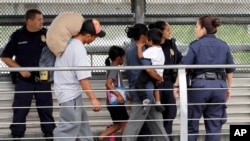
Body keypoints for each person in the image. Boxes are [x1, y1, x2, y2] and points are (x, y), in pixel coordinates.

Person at [173, 16, 235, 141]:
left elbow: (184, 67)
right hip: (219, 87)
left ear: (203, 29)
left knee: (191, 124)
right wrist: (228, 88)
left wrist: (176, 85)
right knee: (214, 127)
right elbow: (230, 69)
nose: (195, 30)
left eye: (197, 27)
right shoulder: (224, 46)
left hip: (199, 87)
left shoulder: (195, 45)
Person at [1, 9, 56, 141]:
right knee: (20, 108)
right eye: (39, 19)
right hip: (24, 80)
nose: (42, 22)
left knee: (45, 107)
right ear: (29, 21)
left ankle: (49, 133)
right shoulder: (18, 36)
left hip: (43, 79)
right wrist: (20, 69)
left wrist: (53, 75)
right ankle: (17, 135)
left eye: (42, 19)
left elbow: (58, 53)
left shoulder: (47, 34)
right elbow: (5, 56)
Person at [53, 19, 105, 141]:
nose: (95, 39)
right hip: (70, 95)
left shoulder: (68, 43)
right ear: (88, 35)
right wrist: (93, 99)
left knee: (83, 127)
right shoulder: (78, 48)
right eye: (95, 37)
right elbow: (83, 77)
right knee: (68, 129)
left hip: (69, 93)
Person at [123, 23, 170, 141]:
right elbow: (149, 70)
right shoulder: (142, 49)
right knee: (133, 127)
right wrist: (160, 78)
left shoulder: (130, 49)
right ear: (143, 36)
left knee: (157, 123)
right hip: (144, 94)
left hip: (143, 92)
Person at [148, 21, 182, 141]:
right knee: (150, 115)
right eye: (168, 30)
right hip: (154, 84)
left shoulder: (171, 45)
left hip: (168, 84)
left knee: (170, 113)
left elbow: (180, 61)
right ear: (161, 32)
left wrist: (178, 84)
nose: (170, 32)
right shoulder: (150, 44)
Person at [99, 46, 129, 141]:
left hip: (113, 103)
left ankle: (100, 137)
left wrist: (126, 95)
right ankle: (100, 138)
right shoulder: (114, 68)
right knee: (122, 124)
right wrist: (119, 95)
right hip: (116, 103)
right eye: (123, 57)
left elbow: (117, 85)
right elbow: (108, 84)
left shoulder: (112, 67)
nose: (124, 59)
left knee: (119, 124)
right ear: (118, 57)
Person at [135, 28, 165, 113]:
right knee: (156, 87)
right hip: (159, 73)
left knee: (138, 83)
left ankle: (144, 99)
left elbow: (140, 56)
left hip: (152, 72)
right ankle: (158, 102)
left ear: (150, 41)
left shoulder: (151, 50)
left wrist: (139, 46)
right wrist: (160, 77)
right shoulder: (160, 49)